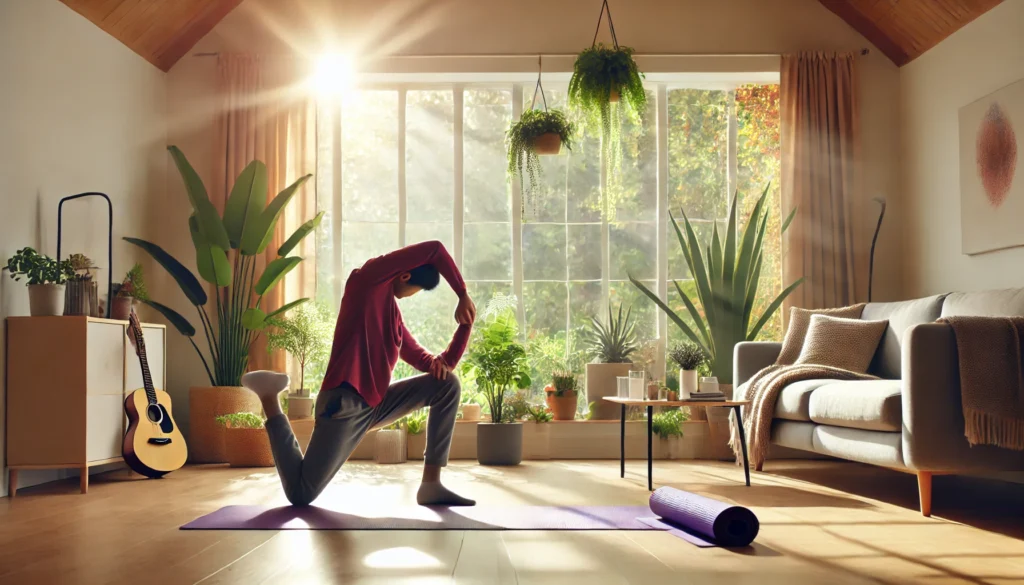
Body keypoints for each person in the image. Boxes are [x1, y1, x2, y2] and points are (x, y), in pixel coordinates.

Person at [243, 240, 476, 507]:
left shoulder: (394, 317)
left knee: (447, 386)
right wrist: (462, 293)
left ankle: (431, 485)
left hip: (375, 405)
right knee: (301, 494)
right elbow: (434, 248)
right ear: (405, 276)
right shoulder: (367, 282)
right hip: (345, 403)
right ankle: (270, 397)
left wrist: (465, 326)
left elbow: (434, 365)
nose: (414, 295)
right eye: (418, 290)